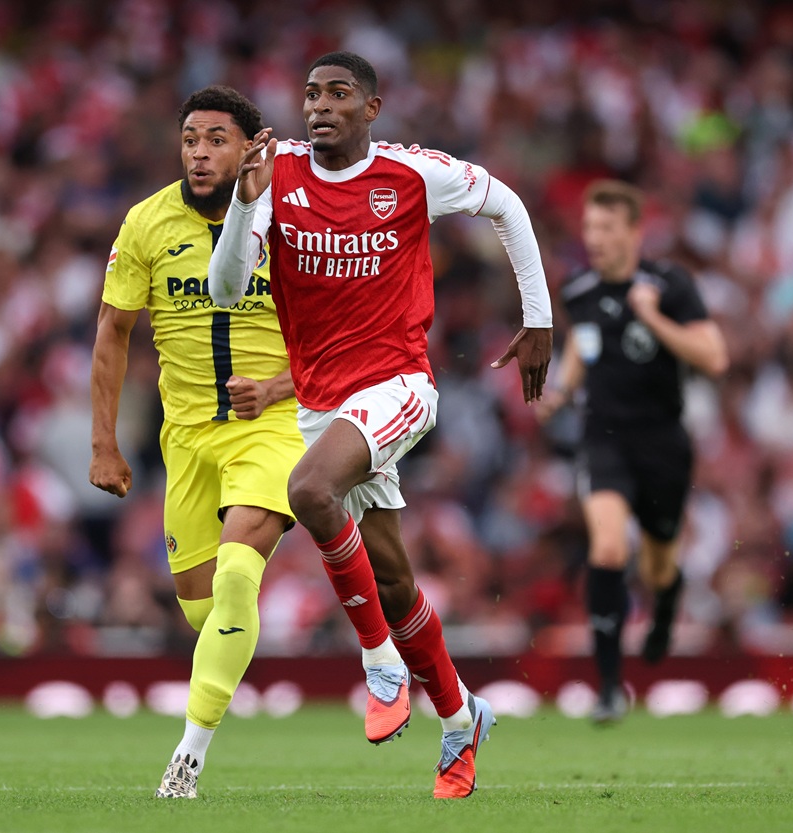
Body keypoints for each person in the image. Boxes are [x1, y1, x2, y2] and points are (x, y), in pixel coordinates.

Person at [208, 51, 553, 799]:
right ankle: (459, 718)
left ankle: (379, 660)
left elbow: (509, 205)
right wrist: (242, 201)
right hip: (322, 406)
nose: (319, 106)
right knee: (394, 581)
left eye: (339, 94)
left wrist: (539, 319)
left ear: (371, 108)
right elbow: (227, 289)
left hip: (400, 386)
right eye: (311, 94)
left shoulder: (412, 173)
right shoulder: (276, 175)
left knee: (309, 489)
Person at [90, 86, 305, 799]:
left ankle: (187, 757)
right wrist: (104, 443)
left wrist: (274, 389)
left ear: (251, 147)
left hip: (271, 425)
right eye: (190, 140)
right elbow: (113, 332)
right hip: (185, 437)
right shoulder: (146, 222)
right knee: (201, 609)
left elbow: (337, 340)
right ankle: (231, 660)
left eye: (217, 139)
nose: (200, 153)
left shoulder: (293, 219)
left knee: (239, 575)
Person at [536, 180, 729, 723]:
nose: (593, 238)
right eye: (588, 227)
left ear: (634, 232)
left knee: (658, 563)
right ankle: (608, 686)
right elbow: (584, 343)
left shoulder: (670, 285)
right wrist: (563, 392)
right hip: (604, 439)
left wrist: (654, 319)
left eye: (605, 227)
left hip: (663, 443)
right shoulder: (578, 290)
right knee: (607, 550)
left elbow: (715, 358)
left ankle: (666, 600)